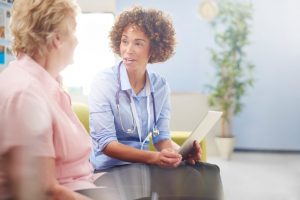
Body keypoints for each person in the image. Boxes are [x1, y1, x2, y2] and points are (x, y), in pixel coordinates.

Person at [89, 6, 223, 200]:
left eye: (138, 43)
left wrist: (180, 153)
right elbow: (107, 144)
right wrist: (154, 158)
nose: (128, 50)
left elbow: (161, 138)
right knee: (184, 180)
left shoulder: (160, 87)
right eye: (124, 41)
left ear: (153, 49)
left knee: (207, 172)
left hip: (144, 165)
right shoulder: (104, 82)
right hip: (110, 169)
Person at [0, 1, 117, 200]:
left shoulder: (48, 83)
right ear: (57, 39)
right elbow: (45, 191)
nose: (77, 41)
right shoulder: (26, 94)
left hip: (83, 184)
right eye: (73, 31)